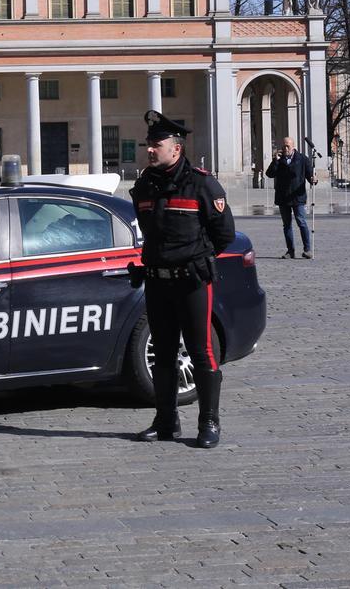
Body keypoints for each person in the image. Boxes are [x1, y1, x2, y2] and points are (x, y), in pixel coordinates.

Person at [128, 111, 234, 448]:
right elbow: (149, 230)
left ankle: (209, 422)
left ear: (175, 149)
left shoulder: (202, 184)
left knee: (201, 353)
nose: (149, 149)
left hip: (192, 283)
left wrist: (196, 259)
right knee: (163, 353)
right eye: (148, 144)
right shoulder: (145, 184)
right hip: (158, 283)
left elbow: (224, 234)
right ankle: (166, 421)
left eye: (155, 144)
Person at [265, 137, 316, 258]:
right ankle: (290, 251)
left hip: (297, 196)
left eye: (287, 146)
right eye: (283, 146)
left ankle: (307, 249)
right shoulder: (279, 159)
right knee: (287, 225)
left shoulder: (302, 159)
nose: (285, 148)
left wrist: (314, 180)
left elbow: (310, 176)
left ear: (293, 146)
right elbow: (269, 174)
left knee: (301, 222)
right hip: (283, 197)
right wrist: (275, 161)